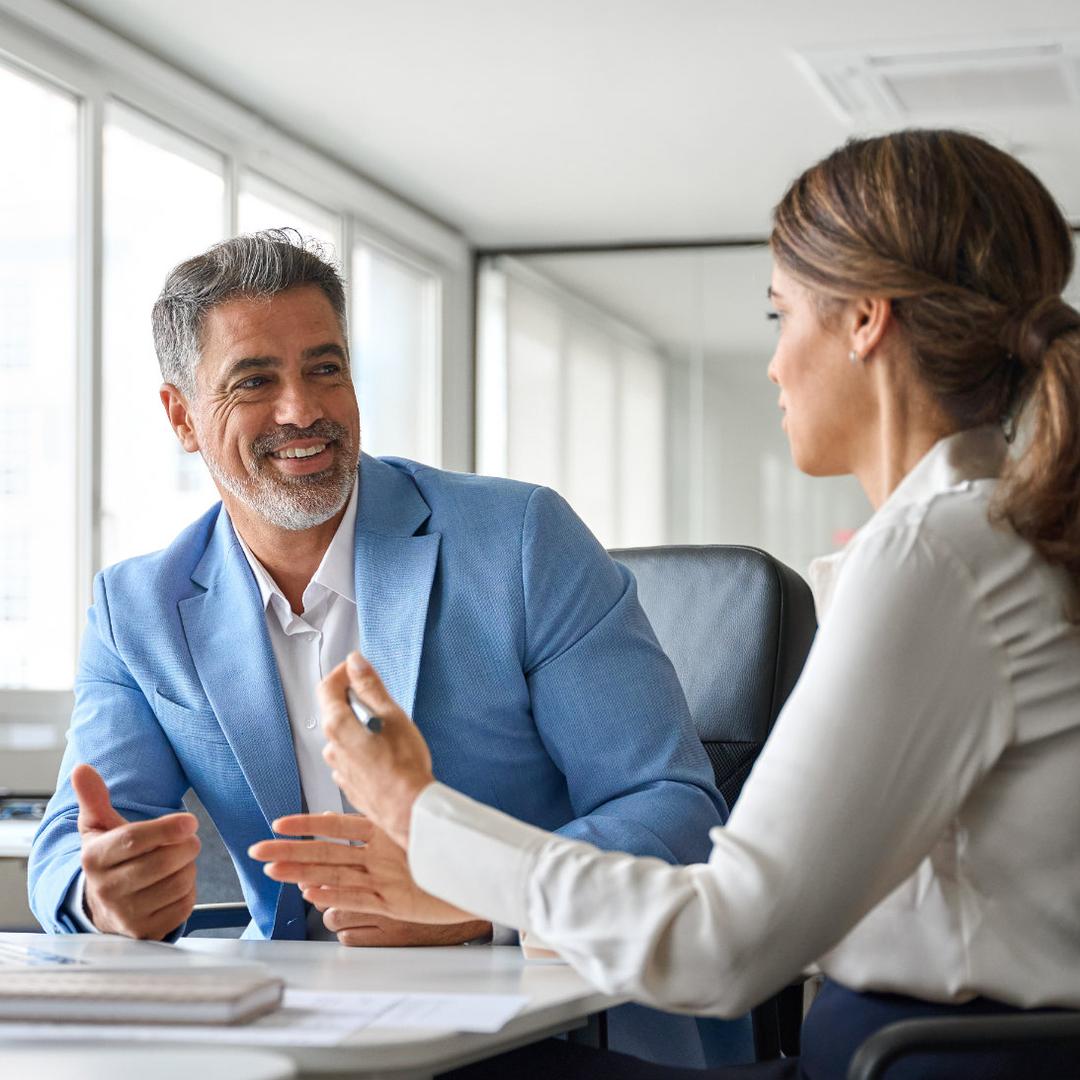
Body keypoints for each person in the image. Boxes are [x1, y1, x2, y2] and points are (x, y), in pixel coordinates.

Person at [279, 131, 1080, 1079]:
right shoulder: (990, 532)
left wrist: (423, 819)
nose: (776, 364)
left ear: (866, 319)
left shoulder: (939, 553)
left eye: (783, 316)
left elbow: (724, 944)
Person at [27, 230, 734, 1067]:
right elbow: (75, 837)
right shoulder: (137, 607)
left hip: (556, 1025)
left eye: (325, 368)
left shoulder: (519, 540)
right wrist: (101, 891)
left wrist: (473, 900)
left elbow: (675, 809)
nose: (303, 409)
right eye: (255, 380)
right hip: (302, 1034)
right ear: (182, 416)